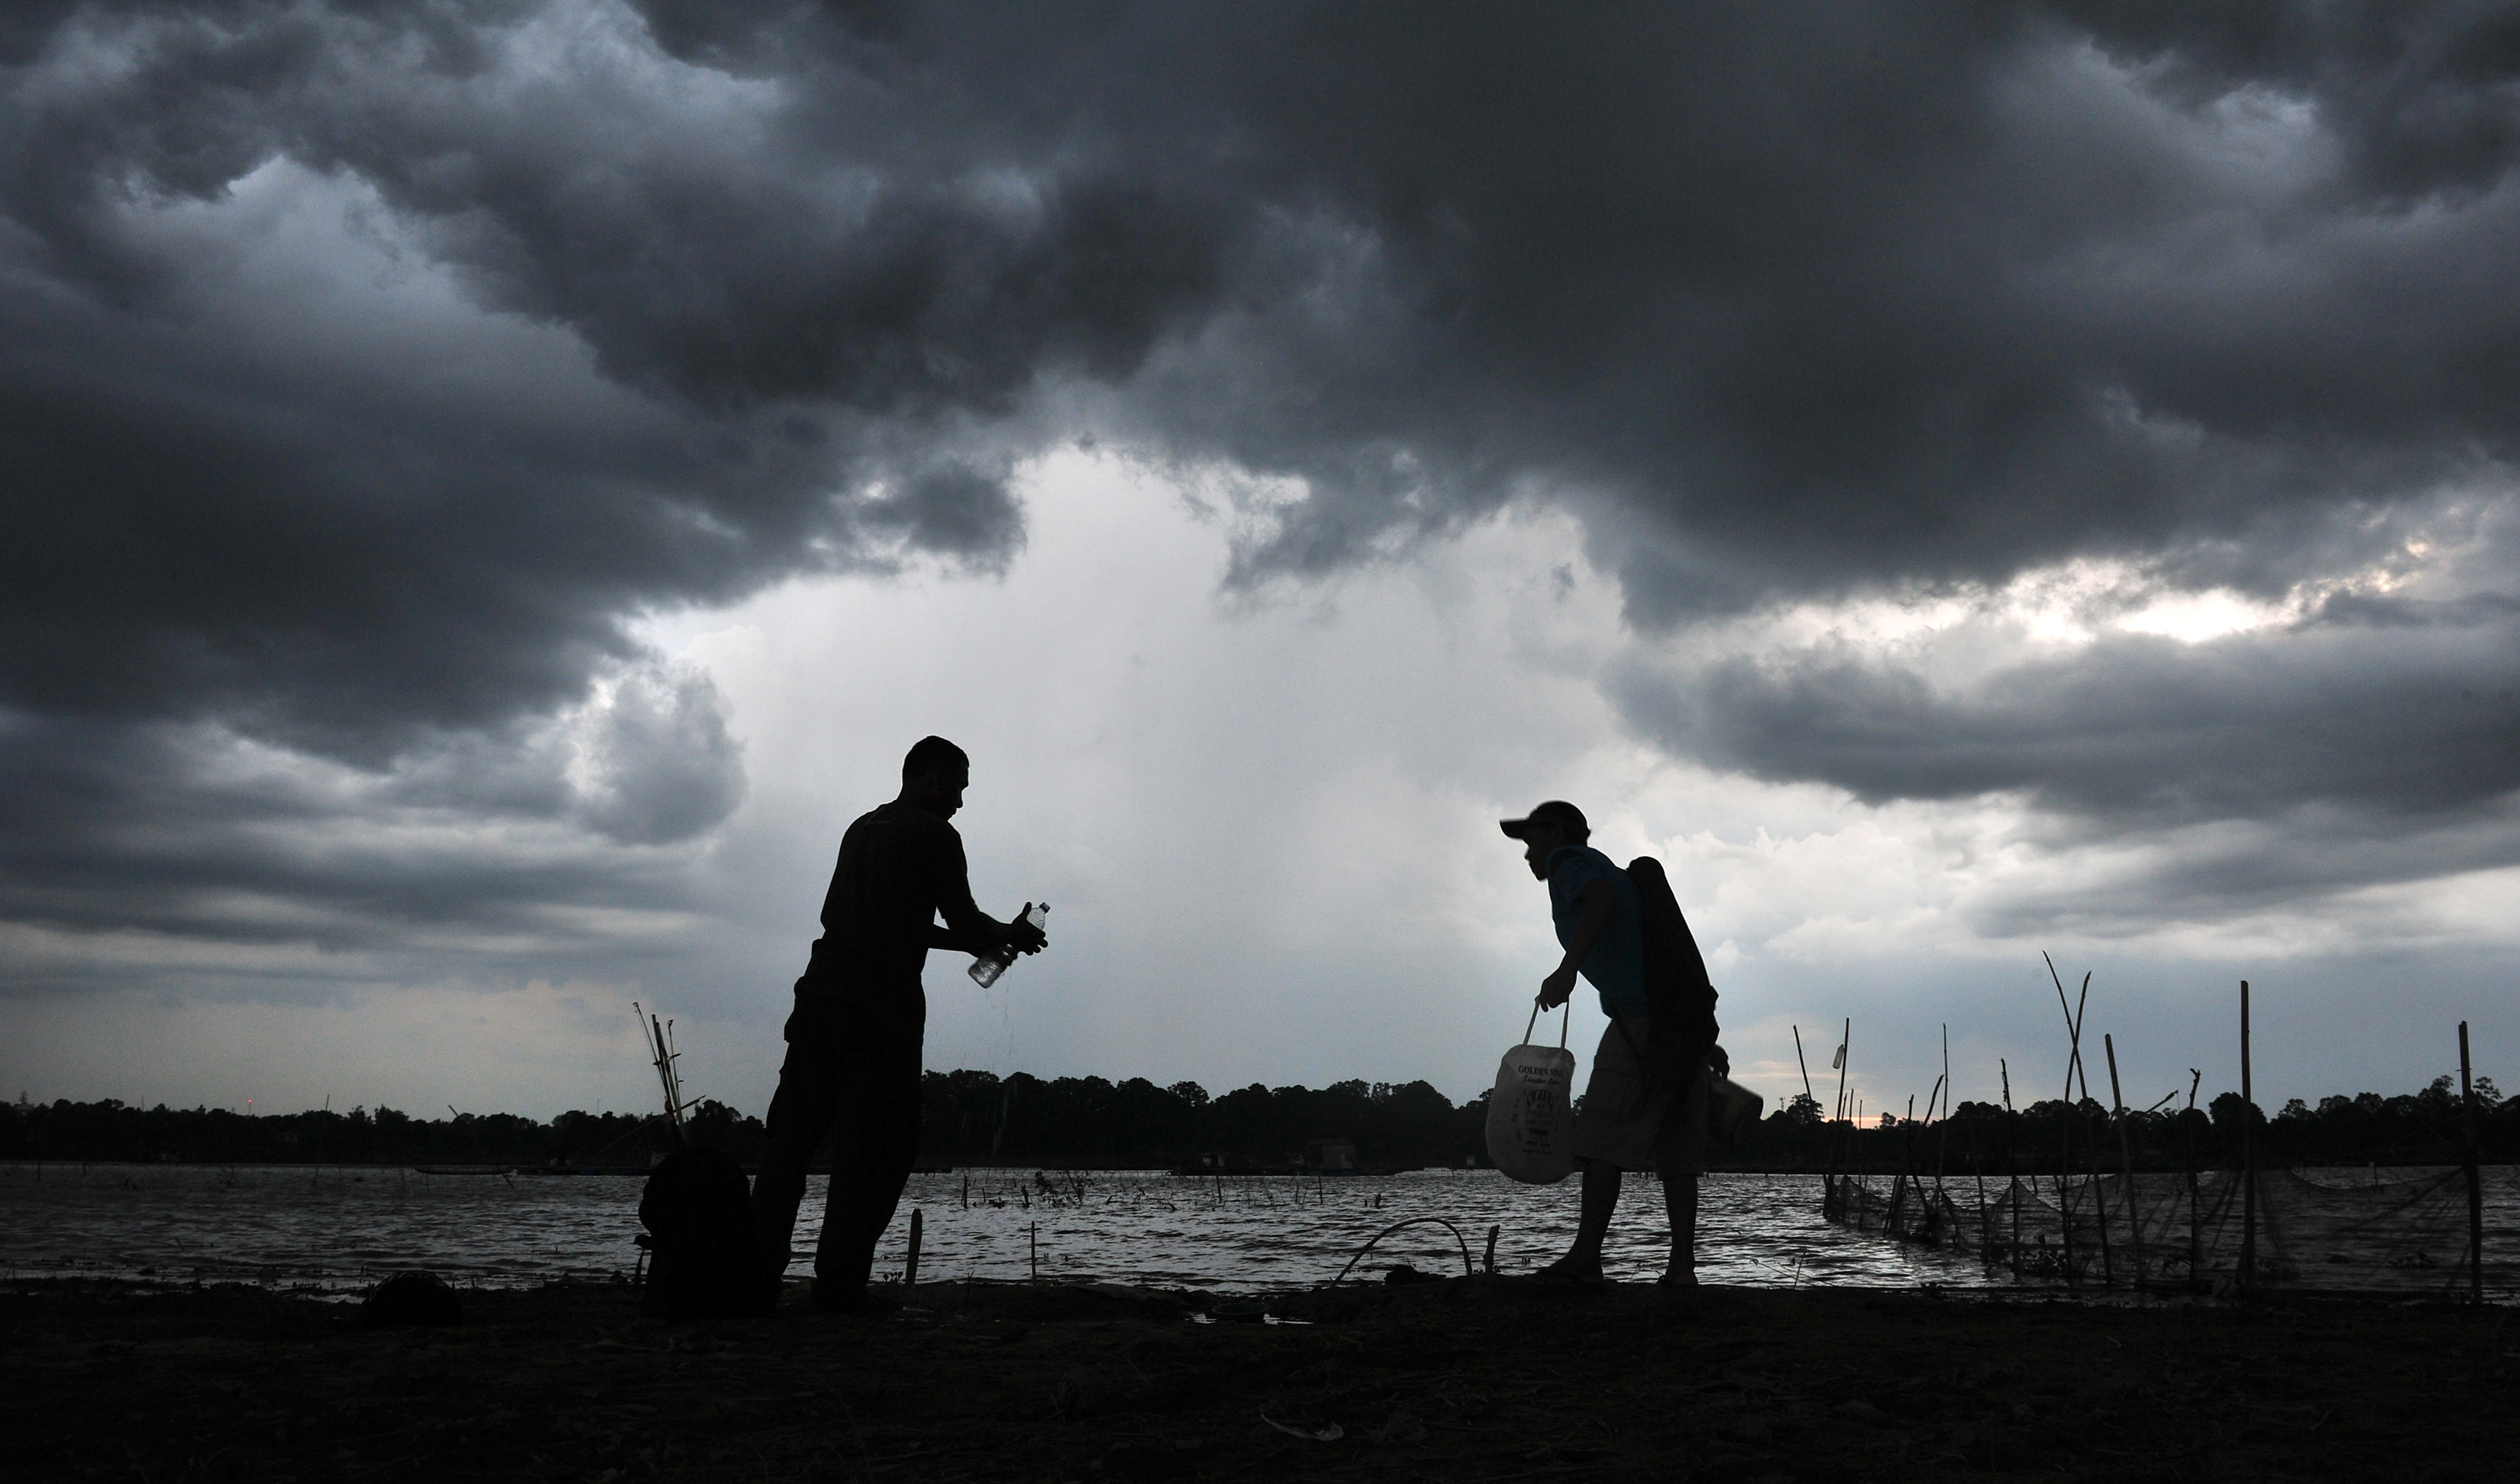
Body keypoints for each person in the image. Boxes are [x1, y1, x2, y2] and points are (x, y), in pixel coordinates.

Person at [751, 735, 1047, 1313]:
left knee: (788, 1148)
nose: (961, 801)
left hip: (817, 1001)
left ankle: (755, 1276)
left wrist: (989, 937)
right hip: (878, 1012)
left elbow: (884, 923)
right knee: (876, 1151)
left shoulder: (861, 829)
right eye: (958, 786)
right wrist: (1003, 934)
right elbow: (959, 921)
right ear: (933, 779)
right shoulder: (935, 834)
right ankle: (838, 1288)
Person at [1501, 800, 1710, 1288]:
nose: (1529, 853)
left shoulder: (1569, 864)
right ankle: (1682, 1268)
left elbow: (1598, 901)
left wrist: (1567, 969)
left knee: (1600, 1138)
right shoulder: (1616, 872)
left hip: (1639, 1022)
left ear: (1555, 834)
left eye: (1532, 839)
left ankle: (1585, 1259)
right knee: (1677, 1152)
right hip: (1684, 1024)